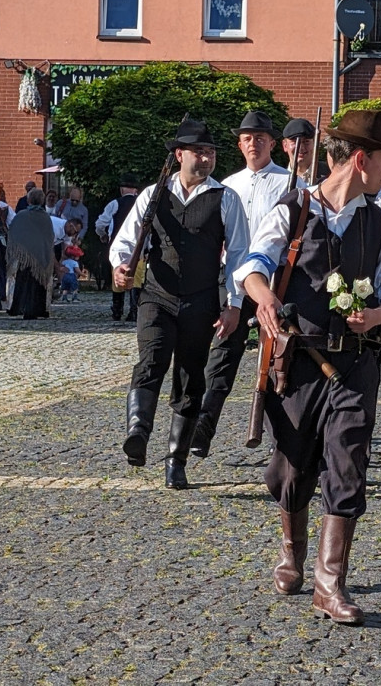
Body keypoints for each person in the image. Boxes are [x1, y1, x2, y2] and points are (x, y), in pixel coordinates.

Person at [236, 109, 381, 625]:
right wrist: (265, 299)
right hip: (297, 362)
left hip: (357, 361)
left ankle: (329, 582)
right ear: (360, 160)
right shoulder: (293, 207)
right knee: (291, 468)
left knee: (348, 458)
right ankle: (291, 549)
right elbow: (252, 265)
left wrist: (377, 314)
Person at [110, 118, 250, 490]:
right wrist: (121, 266)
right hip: (157, 295)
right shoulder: (153, 194)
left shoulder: (226, 198)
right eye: (199, 152)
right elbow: (126, 240)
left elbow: (239, 256)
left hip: (201, 300)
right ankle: (138, 433)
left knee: (190, 378)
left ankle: (176, 461)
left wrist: (233, 304)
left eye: (210, 153)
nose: (206, 159)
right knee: (151, 358)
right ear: (179, 155)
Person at [191, 110, 302, 458]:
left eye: (260, 138)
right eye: (247, 138)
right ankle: (202, 429)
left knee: (279, 362)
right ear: (239, 145)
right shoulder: (227, 187)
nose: (253, 144)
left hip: (275, 286)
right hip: (237, 286)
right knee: (222, 358)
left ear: (272, 143)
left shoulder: (290, 184)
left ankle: (283, 438)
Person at [95, 175, 141, 321]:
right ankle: (134, 311)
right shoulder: (141, 203)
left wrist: (103, 236)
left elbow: (100, 224)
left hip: (118, 246)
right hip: (139, 247)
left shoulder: (115, 204)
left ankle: (117, 310)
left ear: (122, 190)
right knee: (137, 279)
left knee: (118, 277)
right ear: (136, 191)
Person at [7, 188, 56, 320]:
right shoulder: (45, 217)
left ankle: (21, 307)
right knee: (38, 282)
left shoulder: (21, 215)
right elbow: (50, 237)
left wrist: (19, 251)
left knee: (24, 282)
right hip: (41, 255)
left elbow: (13, 233)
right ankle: (38, 309)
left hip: (24, 258)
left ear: (28, 200)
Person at [282, 118, 330, 183]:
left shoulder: (330, 174)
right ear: (285, 145)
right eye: (295, 142)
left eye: (306, 141)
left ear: (315, 144)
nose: (301, 147)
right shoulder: (278, 177)